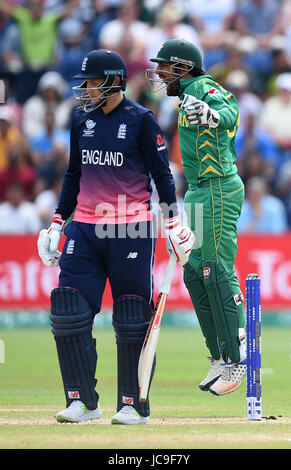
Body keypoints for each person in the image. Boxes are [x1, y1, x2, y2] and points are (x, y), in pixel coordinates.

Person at [37, 48, 194, 424]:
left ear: (112, 81)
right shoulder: (80, 119)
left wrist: (173, 221)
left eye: (92, 82)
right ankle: (82, 401)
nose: (86, 90)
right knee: (68, 310)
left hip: (132, 228)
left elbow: (162, 177)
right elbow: (74, 175)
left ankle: (132, 403)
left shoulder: (141, 120)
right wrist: (58, 222)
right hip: (85, 229)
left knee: (131, 318)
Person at [146, 38, 247, 396]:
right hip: (200, 189)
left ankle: (237, 359)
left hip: (219, 184)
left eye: (164, 67)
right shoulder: (184, 96)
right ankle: (219, 355)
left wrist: (214, 115)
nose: (158, 73)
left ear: (182, 67)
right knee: (193, 270)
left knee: (215, 269)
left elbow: (231, 112)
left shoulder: (203, 86)